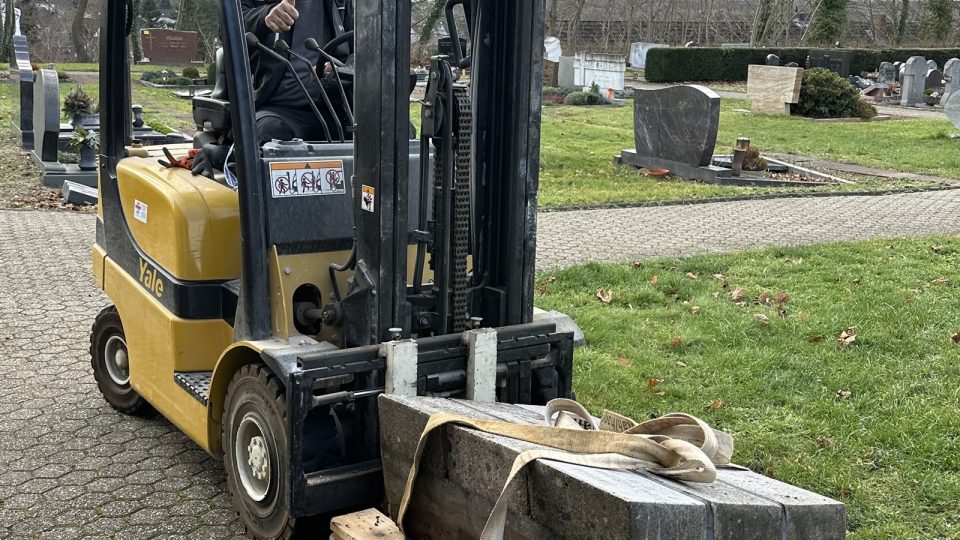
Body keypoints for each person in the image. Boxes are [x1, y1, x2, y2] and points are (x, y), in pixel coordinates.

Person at [242, 0, 353, 144]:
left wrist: (343, 69)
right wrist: (264, 16)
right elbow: (228, 29)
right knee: (268, 133)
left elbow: (362, 44)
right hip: (278, 110)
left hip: (338, 109)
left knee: (378, 132)